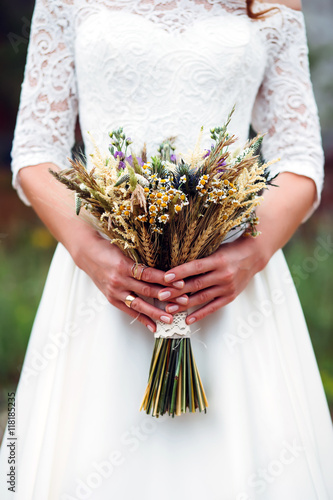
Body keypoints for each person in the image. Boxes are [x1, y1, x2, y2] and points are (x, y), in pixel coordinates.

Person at [1, 0, 333, 498]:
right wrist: (89, 253)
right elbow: (34, 150)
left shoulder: (271, 2)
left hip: (228, 288)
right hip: (104, 285)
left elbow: (301, 154)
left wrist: (251, 255)